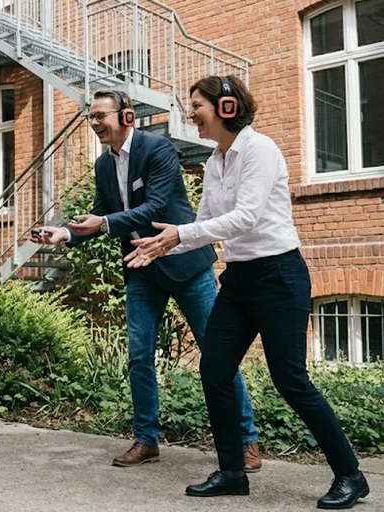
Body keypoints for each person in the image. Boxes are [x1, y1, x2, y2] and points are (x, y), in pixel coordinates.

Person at [124, 75, 369, 509]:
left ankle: (350, 475)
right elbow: (204, 222)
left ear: (227, 107)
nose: (189, 114)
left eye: (196, 104)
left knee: (290, 379)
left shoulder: (260, 150)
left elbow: (247, 217)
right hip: (238, 281)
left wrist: (181, 234)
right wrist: (167, 242)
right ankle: (232, 472)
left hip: (279, 277)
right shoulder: (215, 161)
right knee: (215, 371)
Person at [31, 89, 262, 470]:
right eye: (91, 117)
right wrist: (66, 234)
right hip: (141, 267)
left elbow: (153, 207)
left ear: (127, 117)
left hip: (185, 264)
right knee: (139, 355)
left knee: (217, 351)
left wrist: (103, 223)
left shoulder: (158, 149)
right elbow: (102, 214)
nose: (94, 124)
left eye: (100, 116)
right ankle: (146, 439)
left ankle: (245, 440)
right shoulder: (104, 166)